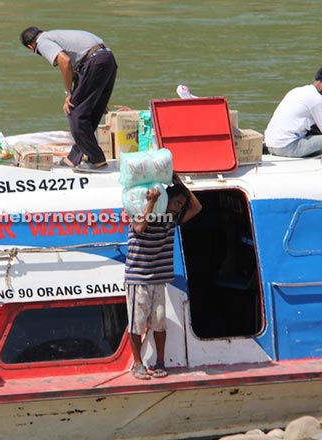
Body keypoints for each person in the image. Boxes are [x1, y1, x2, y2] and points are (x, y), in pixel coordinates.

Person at [124, 174, 202, 380]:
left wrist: (180, 184)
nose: (178, 208)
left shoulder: (171, 220)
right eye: (176, 203)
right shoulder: (142, 214)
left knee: (159, 323)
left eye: (180, 205)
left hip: (158, 278)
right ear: (166, 200)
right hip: (138, 278)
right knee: (136, 324)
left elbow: (197, 208)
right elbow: (140, 228)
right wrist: (151, 201)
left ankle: (160, 361)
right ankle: (138, 364)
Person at [20, 27, 117, 170]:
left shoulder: (42, 43)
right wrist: (96, 95)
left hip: (94, 63)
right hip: (107, 60)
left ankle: (97, 160)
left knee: (74, 113)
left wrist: (68, 93)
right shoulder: (56, 34)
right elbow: (80, 67)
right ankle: (73, 158)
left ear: (31, 47)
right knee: (89, 115)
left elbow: (64, 61)